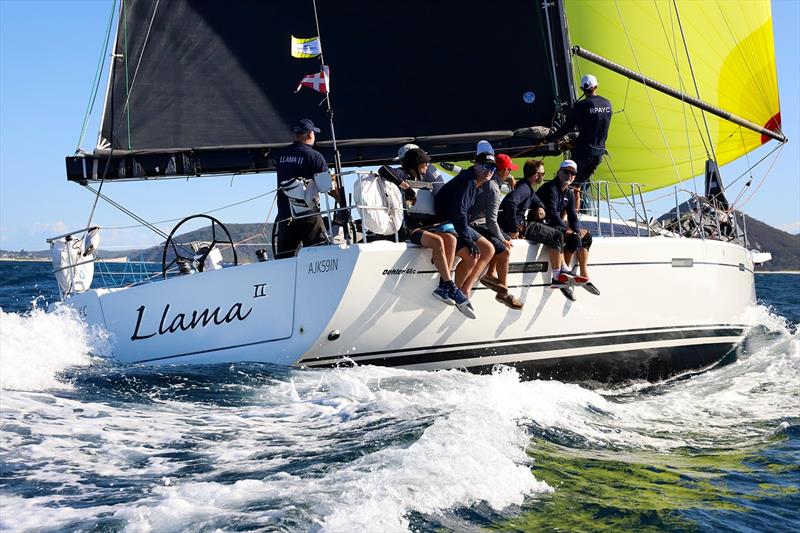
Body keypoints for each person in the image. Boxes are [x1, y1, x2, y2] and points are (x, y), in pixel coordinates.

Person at [381, 148, 465, 309]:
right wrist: (405, 186)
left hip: (426, 225)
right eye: (424, 164)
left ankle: (443, 286)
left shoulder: (422, 178)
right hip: (409, 229)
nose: (427, 168)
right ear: (415, 164)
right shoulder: (402, 174)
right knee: (438, 241)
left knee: (451, 239)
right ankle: (450, 285)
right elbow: (383, 169)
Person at [434, 152, 499, 317]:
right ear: (476, 165)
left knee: (489, 249)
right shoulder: (468, 181)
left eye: (493, 168)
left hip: (454, 222)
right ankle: (448, 289)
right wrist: (467, 239)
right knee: (472, 255)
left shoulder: (477, 184)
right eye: (486, 166)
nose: (490, 171)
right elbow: (459, 213)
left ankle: (463, 291)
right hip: (443, 224)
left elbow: (465, 215)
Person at [498, 160, 572, 295]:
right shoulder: (524, 189)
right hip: (520, 226)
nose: (543, 176)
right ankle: (557, 276)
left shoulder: (527, 188)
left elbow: (536, 199)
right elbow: (510, 203)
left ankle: (563, 269)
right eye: (543, 173)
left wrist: (540, 206)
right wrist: (513, 228)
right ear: (537, 175)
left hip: (522, 225)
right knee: (557, 235)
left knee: (556, 234)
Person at [544, 74, 612, 212]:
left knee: (565, 184)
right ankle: (575, 216)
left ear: (582, 89)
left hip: (583, 154)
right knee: (577, 186)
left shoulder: (581, 105)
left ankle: (564, 217)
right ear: (596, 86)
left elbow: (566, 128)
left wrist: (548, 139)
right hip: (598, 154)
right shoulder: (607, 104)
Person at [536, 160, 599, 295]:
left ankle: (583, 273)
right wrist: (569, 231)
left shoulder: (569, 193)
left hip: (553, 222)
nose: (569, 175)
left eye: (573, 173)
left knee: (585, 237)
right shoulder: (551, 188)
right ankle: (564, 274)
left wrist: (576, 230)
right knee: (572, 237)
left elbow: (572, 217)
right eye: (566, 172)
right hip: (542, 223)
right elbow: (552, 213)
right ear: (559, 172)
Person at [469, 153, 522, 309]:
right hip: (478, 224)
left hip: (478, 222)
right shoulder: (493, 188)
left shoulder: (489, 182)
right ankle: (503, 292)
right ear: (504, 171)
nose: (510, 173)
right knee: (505, 248)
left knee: (504, 238)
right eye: (509, 170)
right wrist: (502, 238)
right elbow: (491, 221)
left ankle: (491, 274)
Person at [273, 118, 330, 259]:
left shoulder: (281, 156)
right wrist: (343, 205)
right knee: (319, 255)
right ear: (310, 134)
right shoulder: (315, 157)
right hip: (308, 215)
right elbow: (326, 187)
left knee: (284, 259)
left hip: (285, 215)